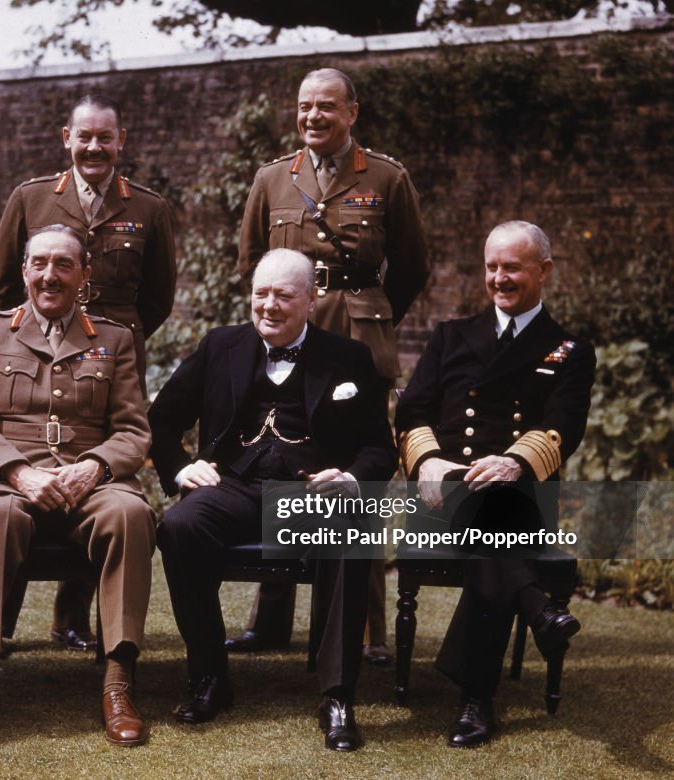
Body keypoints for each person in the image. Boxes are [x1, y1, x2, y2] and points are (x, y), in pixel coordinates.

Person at [149, 249, 397, 751]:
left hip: (310, 494)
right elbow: (161, 418)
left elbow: (379, 446)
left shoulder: (348, 358)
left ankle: (336, 695)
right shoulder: (220, 346)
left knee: (352, 527)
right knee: (179, 527)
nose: (270, 305)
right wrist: (179, 469)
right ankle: (210, 677)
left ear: (311, 300)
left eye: (284, 295)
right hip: (232, 488)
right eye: (261, 294)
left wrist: (350, 478)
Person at [231, 67, 430, 657]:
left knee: (356, 475)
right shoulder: (273, 179)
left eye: (326, 107)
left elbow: (413, 267)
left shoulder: (387, 178)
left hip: (358, 335)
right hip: (290, 336)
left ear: (352, 112)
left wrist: (371, 314)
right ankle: (270, 621)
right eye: (304, 107)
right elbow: (251, 264)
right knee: (279, 459)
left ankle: (366, 631)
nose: (313, 116)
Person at [0, 225, 156, 749]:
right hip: (5, 479)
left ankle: (117, 681)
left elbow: (133, 430)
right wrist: (19, 473)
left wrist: (94, 467)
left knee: (129, 514)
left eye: (64, 265)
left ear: (84, 276)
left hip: (87, 481)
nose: (49, 275)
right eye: (39, 263)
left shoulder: (114, 338)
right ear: (23, 271)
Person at [0, 93, 176, 653]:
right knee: (30, 472)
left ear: (122, 142)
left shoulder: (149, 208)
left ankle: (72, 615)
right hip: (33, 352)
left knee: (97, 476)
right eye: (84, 137)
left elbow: (158, 298)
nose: (94, 147)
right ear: (64, 138)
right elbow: (1, 288)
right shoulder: (32, 198)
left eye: (105, 138)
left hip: (107, 360)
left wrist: (108, 342)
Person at [395, 220, 595, 747]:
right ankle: (536, 613)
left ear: (543, 271)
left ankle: (476, 698)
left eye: (512, 267)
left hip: (516, 494)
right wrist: (429, 462)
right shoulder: (451, 336)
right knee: (494, 525)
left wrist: (513, 463)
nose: (499, 278)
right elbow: (411, 411)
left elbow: (563, 427)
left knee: (496, 519)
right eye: (491, 266)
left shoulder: (569, 349)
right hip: (444, 493)